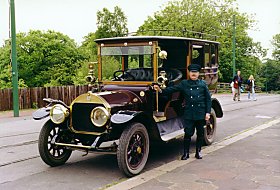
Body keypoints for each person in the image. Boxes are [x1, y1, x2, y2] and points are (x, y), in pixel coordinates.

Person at [153, 64, 211, 160]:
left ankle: (198, 151)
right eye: (192, 72)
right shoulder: (184, 84)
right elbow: (172, 90)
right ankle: (186, 153)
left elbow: (208, 99)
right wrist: (160, 90)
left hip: (200, 113)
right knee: (188, 133)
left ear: (198, 73)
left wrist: (207, 113)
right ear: (189, 73)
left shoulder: (202, 84)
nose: (193, 74)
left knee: (200, 133)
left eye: (195, 72)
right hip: (189, 113)